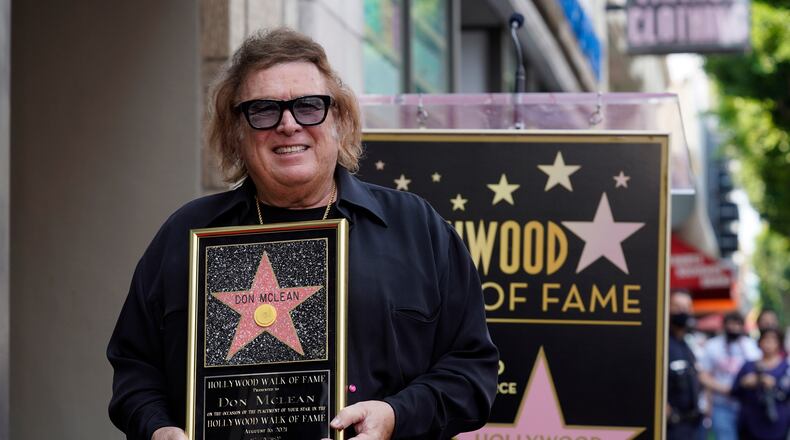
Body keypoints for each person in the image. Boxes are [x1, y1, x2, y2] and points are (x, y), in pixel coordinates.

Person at [107, 28, 498, 440]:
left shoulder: (416, 229)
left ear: (339, 119)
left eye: (309, 106)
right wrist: (158, 429)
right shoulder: (184, 237)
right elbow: (135, 370)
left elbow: (471, 373)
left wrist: (395, 415)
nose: (289, 125)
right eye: (263, 110)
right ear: (236, 132)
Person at [699, 311, 762, 440]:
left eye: (737, 324)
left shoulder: (751, 346)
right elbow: (702, 375)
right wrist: (724, 388)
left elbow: (760, 371)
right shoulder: (713, 345)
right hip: (721, 405)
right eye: (731, 324)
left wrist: (748, 382)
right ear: (724, 325)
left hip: (746, 405)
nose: (734, 328)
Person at [731, 328, 790, 440]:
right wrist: (745, 383)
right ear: (760, 342)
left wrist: (775, 385)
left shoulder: (786, 367)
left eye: (773, 340)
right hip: (750, 423)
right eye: (765, 339)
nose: (768, 344)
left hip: (776, 423)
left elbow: (786, 393)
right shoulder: (749, 366)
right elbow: (734, 391)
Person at [666, 291, 704, 440]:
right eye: (677, 306)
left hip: (693, 426)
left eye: (687, 307)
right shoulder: (662, 343)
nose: (683, 311)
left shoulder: (686, 344)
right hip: (672, 427)